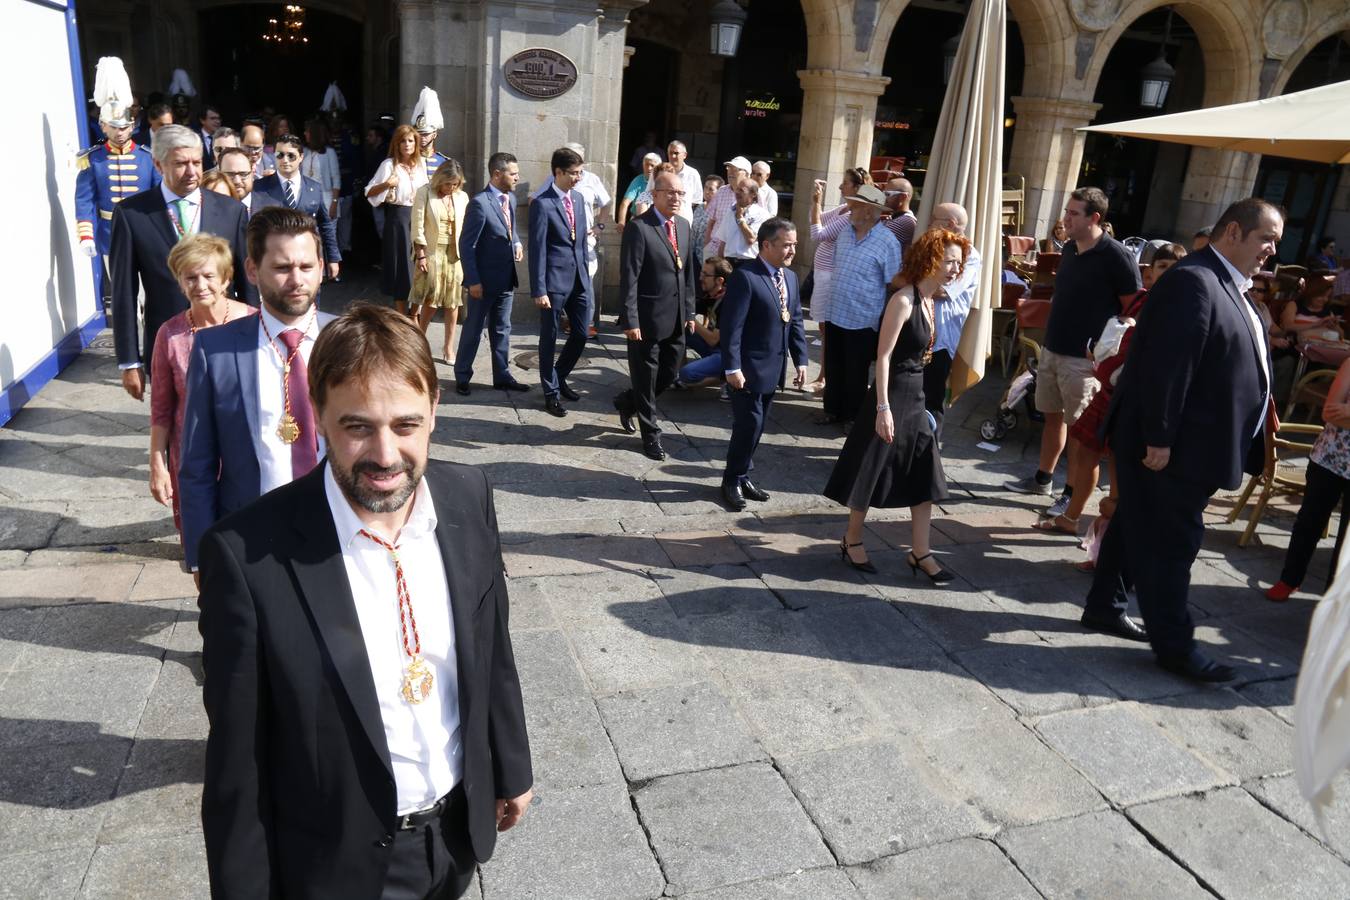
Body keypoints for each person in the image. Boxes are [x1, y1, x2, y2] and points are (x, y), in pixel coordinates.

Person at [197, 302, 533, 900]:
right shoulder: (247, 557)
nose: (384, 455)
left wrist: (511, 765)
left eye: (405, 425)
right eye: (357, 426)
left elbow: (492, 644)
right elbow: (237, 766)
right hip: (338, 865)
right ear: (319, 417)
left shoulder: (467, 497)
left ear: (434, 412)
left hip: (456, 833)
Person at [1107, 197, 1280, 682]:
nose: (1271, 249)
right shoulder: (1195, 280)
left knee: (1136, 523)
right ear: (1233, 233)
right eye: (1266, 237)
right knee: (1172, 545)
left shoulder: (1229, 283)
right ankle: (1176, 647)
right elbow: (1168, 368)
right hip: (1175, 446)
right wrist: (1160, 438)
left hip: (1192, 442)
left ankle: (1105, 605)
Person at [179, 207, 333, 575]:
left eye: (306, 267)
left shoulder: (349, 339)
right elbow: (196, 466)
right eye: (282, 268)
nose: (297, 280)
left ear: (322, 268)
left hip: (338, 533)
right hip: (253, 539)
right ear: (252, 270)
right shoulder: (216, 350)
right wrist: (203, 557)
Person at [824, 228, 969, 577]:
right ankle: (852, 539)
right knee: (870, 467)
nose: (954, 268)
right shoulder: (904, 300)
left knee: (925, 473)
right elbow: (883, 357)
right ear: (930, 259)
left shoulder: (934, 300)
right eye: (948, 261)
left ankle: (921, 552)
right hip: (892, 394)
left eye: (958, 262)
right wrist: (883, 408)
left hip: (918, 394)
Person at [1007, 187, 1140, 516]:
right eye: (1066, 211)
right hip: (1054, 348)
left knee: (1082, 435)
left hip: (1085, 361)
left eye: (1073, 213)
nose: (1065, 218)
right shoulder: (1069, 249)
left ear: (1094, 218)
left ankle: (1071, 494)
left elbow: (1132, 312)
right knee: (1053, 417)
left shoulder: (1117, 256)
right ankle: (1043, 478)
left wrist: (1104, 351)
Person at [1042, 243, 1187, 537]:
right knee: (1085, 453)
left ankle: (1107, 535)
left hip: (1133, 398)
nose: (1167, 273)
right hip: (1108, 393)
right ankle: (1072, 517)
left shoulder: (1178, 309)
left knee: (1121, 466)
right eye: (1162, 267)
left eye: (1174, 269)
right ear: (1149, 274)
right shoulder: (1140, 301)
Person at [108, 125, 248, 396]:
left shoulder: (232, 211)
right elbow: (123, 292)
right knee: (174, 428)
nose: (193, 172)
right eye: (181, 164)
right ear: (159, 164)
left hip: (225, 338)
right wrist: (128, 361)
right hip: (166, 343)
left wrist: (256, 340)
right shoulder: (132, 214)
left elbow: (248, 283)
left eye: (197, 162)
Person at [149, 235, 258, 556]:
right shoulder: (170, 335)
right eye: (190, 277)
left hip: (246, 457)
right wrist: (158, 464)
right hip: (192, 461)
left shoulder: (254, 323)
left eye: (209, 276)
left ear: (226, 278)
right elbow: (161, 409)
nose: (200, 285)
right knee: (205, 549)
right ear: (180, 281)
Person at [719, 220, 809, 510]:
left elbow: (795, 320)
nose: (792, 250)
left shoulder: (791, 278)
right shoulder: (746, 277)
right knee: (748, 426)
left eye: (794, 244)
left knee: (757, 428)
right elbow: (732, 328)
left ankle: (743, 474)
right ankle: (731, 479)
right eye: (786, 244)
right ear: (766, 245)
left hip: (774, 369)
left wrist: (802, 360)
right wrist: (732, 368)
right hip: (747, 370)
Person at [612, 168, 697, 461]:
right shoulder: (640, 227)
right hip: (647, 317)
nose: (676, 198)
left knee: (670, 372)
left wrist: (689, 311)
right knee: (645, 377)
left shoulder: (684, 226)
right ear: (655, 194)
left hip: (676, 317)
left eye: (680, 193)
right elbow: (630, 276)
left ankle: (626, 401)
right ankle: (651, 435)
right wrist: (630, 318)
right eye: (670, 193)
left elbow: (688, 275)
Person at [76, 56, 160, 301]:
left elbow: (158, 196)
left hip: (144, 231)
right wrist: (86, 235)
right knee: (124, 296)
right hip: (109, 233)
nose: (120, 132)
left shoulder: (148, 157)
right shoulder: (91, 159)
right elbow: (84, 201)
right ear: (103, 126)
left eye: (124, 127)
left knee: (149, 294)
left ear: (132, 125)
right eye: (114, 127)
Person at [1267, 354, 1350, 601]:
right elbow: (1329, 412)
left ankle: (1333, 598)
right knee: (1308, 523)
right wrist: (1342, 412)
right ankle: (1289, 579)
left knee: (1347, 540)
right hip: (1329, 459)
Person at [819, 184, 902, 427]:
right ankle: (832, 409)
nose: (848, 210)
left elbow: (893, 282)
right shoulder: (845, 232)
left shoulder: (888, 241)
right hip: (835, 310)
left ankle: (852, 417)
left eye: (853, 206)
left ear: (868, 211)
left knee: (856, 370)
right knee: (834, 364)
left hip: (862, 316)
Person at [456, 152, 529, 395]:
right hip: (483, 283)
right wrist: (473, 280)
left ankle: (502, 375)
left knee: (502, 329)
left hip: (506, 279)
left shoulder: (511, 199)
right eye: (513, 173)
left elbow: (511, 228)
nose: (517, 177)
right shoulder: (480, 203)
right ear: (497, 174)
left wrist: (516, 243)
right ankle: (462, 376)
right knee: (474, 329)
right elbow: (467, 244)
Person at [529, 147, 593, 417]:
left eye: (580, 172)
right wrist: (539, 288)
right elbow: (538, 248)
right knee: (550, 336)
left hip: (580, 278)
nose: (578, 178)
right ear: (558, 172)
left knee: (581, 333)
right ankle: (550, 392)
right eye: (574, 173)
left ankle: (559, 375)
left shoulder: (577, 199)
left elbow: (578, 241)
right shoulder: (542, 204)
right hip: (554, 281)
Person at [808, 167, 871, 393]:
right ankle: (824, 376)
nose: (840, 186)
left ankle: (825, 377)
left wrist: (817, 201)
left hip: (830, 275)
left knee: (827, 329)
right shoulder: (845, 208)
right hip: (823, 273)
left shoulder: (851, 216)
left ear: (856, 187)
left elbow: (817, 234)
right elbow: (816, 219)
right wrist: (816, 203)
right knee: (825, 328)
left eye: (845, 183)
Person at [923, 202, 981, 442]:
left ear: (950, 224)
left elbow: (942, 290)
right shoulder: (934, 247)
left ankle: (930, 451)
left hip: (941, 339)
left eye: (933, 219)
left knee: (932, 399)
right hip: (921, 332)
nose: (928, 224)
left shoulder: (969, 256)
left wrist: (914, 282)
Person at [255, 133, 342, 280]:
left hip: (306, 259)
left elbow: (325, 224)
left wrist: (333, 259)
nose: (285, 160)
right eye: (280, 155)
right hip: (275, 261)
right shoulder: (259, 188)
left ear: (301, 157)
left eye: (291, 156)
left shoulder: (314, 187)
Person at [410, 158, 469, 362]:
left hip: (455, 255)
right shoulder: (425, 193)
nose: (451, 188)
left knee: (453, 303)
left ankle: (448, 347)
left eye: (455, 184)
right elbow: (417, 227)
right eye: (447, 183)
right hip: (432, 252)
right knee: (431, 301)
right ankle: (420, 344)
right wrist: (421, 255)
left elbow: (466, 228)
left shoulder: (462, 197)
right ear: (439, 180)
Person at [365, 124, 428, 315]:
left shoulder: (421, 165)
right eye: (403, 141)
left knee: (421, 266)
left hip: (419, 217)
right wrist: (387, 184)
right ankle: (401, 315)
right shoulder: (388, 165)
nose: (407, 144)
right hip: (398, 219)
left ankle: (414, 314)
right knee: (401, 268)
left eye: (410, 140)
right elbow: (369, 192)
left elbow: (427, 191)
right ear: (397, 144)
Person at [674, 256, 733, 389]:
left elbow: (713, 339)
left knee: (687, 374)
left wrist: (691, 319)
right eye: (701, 273)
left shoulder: (729, 302)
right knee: (679, 330)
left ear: (719, 280)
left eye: (706, 275)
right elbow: (689, 307)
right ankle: (677, 375)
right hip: (713, 348)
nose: (700, 278)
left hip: (727, 355)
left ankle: (726, 378)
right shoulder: (711, 295)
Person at [704, 156, 752, 259]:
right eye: (729, 168)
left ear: (747, 174)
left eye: (735, 170)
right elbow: (711, 222)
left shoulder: (754, 195)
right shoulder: (721, 191)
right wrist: (707, 245)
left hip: (738, 253)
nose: (731, 172)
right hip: (714, 250)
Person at [713, 178, 769, 266]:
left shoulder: (762, 215)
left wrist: (740, 218)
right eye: (737, 189)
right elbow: (723, 242)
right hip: (729, 262)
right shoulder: (730, 212)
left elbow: (751, 239)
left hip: (749, 263)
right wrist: (720, 264)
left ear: (753, 194)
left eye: (742, 190)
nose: (737, 192)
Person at [302, 118, 341, 224]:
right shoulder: (304, 151)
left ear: (315, 134)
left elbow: (336, 179)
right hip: (307, 200)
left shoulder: (329, 152)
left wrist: (334, 203)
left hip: (326, 200)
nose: (305, 133)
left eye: (308, 131)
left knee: (327, 237)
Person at [1279, 276, 1340, 341]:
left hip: (1320, 346)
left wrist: (1335, 326)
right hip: (1295, 346)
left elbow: (1341, 335)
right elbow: (1287, 326)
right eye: (1322, 296)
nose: (1325, 299)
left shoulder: (1327, 311)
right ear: (1311, 293)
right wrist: (1317, 324)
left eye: (1327, 296)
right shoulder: (1294, 305)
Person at [411, 86, 449, 183]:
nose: (422, 137)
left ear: (434, 135)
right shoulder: (408, 158)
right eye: (419, 134)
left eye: (426, 134)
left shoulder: (444, 162)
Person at [618, 152, 661, 227]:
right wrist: (621, 222)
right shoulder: (638, 180)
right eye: (646, 165)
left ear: (658, 167)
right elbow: (625, 203)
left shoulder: (662, 182)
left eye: (652, 165)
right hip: (637, 219)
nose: (649, 168)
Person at [216, 147, 260, 219]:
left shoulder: (270, 207)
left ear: (252, 173)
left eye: (243, 174)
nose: (237, 181)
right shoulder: (208, 208)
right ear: (219, 173)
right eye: (230, 174)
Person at [667, 140, 703, 224]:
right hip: (661, 222)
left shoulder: (693, 174)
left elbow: (696, 201)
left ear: (684, 155)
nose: (672, 156)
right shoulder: (659, 171)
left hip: (683, 222)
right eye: (670, 153)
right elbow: (649, 195)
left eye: (676, 153)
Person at [881, 176, 917, 259]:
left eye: (888, 194)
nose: (884, 198)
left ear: (903, 197)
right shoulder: (895, 218)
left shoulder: (905, 222)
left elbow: (874, 242)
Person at [691, 176, 723, 270]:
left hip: (708, 256)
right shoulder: (699, 207)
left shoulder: (719, 210)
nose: (707, 191)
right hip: (693, 253)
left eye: (711, 189)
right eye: (705, 187)